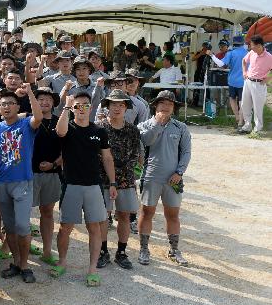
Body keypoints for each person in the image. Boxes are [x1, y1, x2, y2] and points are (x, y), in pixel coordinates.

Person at [54, 88, 115, 287]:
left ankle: (92, 268)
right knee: (65, 228)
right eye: (77, 106)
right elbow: (59, 131)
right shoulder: (68, 127)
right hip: (71, 185)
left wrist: (112, 183)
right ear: (73, 108)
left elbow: (107, 157)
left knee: (94, 228)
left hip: (93, 186)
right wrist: (66, 106)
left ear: (91, 107)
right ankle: (62, 261)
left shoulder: (99, 131)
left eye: (85, 105)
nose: (81, 109)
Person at [0, 84, 41, 283]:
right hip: (2, 182)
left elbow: (39, 117)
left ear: (18, 107)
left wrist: (30, 93)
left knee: (22, 226)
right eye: (3, 104)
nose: (7, 107)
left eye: (10, 103)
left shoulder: (26, 124)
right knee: (9, 227)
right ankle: (16, 262)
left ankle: (26, 265)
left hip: (22, 181)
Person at [137, 90, 192, 266]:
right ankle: (144, 249)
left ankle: (174, 250)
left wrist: (180, 172)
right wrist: (158, 125)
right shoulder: (144, 125)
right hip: (151, 177)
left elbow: (186, 152)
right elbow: (145, 142)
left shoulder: (181, 128)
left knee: (173, 214)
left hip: (173, 179)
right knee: (147, 213)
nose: (166, 107)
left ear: (174, 107)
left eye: (169, 104)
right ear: (155, 105)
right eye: (162, 103)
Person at [97, 90, 140, 270]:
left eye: (121, 104)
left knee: (124, 214)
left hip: (126, 179)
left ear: (126, 108)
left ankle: (121, 252)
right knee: (103, 217)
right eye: (113, 104)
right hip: (102, 178)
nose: (117, 108)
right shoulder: (99, 128)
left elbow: (136, 155)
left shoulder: (132, 129)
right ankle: (102, 251)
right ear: (107, 107)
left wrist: (122, 170)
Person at [30, 88, 62, 266]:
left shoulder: (60, 122)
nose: (44, 102)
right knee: (24, 212)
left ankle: (47, 250)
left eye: (48, 99)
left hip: (52, 173)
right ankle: (19, 247)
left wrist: (54, 164)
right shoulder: (29, 120)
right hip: (29, 173)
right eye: (40, 99)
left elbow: (67, 150)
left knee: (47, 212)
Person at [238, 35, 272, 134]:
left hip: (259, 84)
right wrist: (244, 72)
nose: (250, 47)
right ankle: (247, 125)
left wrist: (268, 79)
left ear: (259, 45)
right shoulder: (252, 53)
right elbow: (244, 61)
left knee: (258, 107)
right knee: (245, 104)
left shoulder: (269, 57)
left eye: (252, 45)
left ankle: (258, 128)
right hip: (248, 81)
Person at [218, 35, 248, 129]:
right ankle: (241, 121)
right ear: (243, 43)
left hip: (232, 80)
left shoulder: (230, 53)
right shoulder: (248, 53)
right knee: (242, 101)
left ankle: (237, 117)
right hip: (244, 81)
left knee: (232, 99)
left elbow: (222, 65)